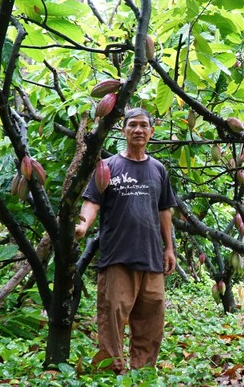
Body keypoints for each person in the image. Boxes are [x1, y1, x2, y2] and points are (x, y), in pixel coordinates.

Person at [75, 107, 177, 374]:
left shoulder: (158, 169)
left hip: (152, 257)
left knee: (151, 319)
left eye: (144, 125)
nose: (138, 130)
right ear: (123, 130)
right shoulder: (107, 167)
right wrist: (83, 225)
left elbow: (164, 211)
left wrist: (169, 248)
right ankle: (112, 371)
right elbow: (91, 201)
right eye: (133, 125)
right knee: (113, 318)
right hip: (117, 256)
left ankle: (143, 371)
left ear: (152, 132)